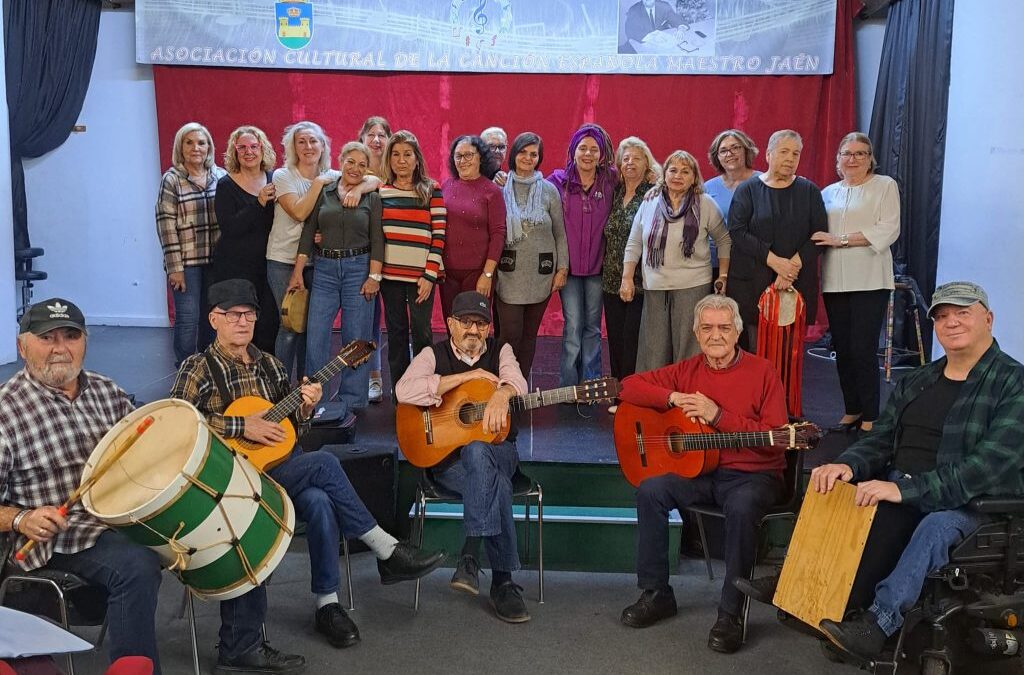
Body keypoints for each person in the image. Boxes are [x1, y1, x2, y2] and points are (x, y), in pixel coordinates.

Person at [0, 298, 305, 674]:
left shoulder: (105, 391)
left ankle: (241, 645)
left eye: (71, 335)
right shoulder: (6, 410)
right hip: (62, 536)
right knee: (136, 564)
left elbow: (151, 444)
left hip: (131, 515)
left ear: (85, 341)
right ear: (22, 346)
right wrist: (20, 519)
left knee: (236, 516)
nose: (60, 347)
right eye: (47, 337)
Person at [738, 281, 1024, 664]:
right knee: (832, 484)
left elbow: (984, 470)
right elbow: (881, 440)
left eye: (962, 313)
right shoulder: (919, 379)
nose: (951, 322)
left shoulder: (1012, 383)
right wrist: (848, 464)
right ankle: (799, 586)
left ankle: (878, 624)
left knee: (933, 525)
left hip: (970, 502)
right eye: (942, 316)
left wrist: (906, 491)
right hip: (904, 485)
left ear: (988, 319)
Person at [171, 279, 445, 651]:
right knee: (326, 464)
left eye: (249, 314)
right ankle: (385, 549)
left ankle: (327, 605)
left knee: (318, 500)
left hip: (282, 469)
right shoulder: (198, 368)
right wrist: (240, 425)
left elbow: (290, 433)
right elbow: (179, 424)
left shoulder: (270, 365)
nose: (242, 321)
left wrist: (304, 408)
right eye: (232, 315)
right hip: (233, 482)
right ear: (213, 319)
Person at [617, 293, 789, 654]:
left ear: (737, 332)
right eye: (707, 328)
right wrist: (672, 399)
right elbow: (628, 386)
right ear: (696, 333)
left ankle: (731, 613)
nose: (716, 335)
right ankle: (657, 593)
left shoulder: (763, 372)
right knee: (652, 490)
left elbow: (776, 440)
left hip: (751, 476)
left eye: (724, 328)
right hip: (701, 473)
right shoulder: (687, 370)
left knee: (742, 510)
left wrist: (717, 416)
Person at [394, 291, 531, 623]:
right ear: (451, 324)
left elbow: (518, 382)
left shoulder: (502, 350)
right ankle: (503, 582)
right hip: (447, 463)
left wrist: (503, 392)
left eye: (481, 323)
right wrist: (468, 377)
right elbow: (403, 391)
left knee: (480, 450)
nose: (474, 330)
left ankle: (470, 556)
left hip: (501, 452)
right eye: (467, 322)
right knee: (492, 479)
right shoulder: (433, 354)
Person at [289, 141, 383, 428]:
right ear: (340, 161)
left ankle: (352, 400)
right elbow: (309, 232)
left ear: (367, 170)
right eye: (350, 161)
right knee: (317, 336)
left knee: (356, 338)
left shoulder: (372, 196)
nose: (355, 168)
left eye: (361, 164)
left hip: (359, 268)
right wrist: (297, 271)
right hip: (325, 270)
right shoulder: (324, 192)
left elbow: (378, 238)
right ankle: (313, 396)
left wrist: (374, 277)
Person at [814, 132, 900, 435]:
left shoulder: (885, 186)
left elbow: (888, 229)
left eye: (860, 154)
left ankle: (871, 415)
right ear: (838, 159)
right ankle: (851, 409)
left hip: (870, 280)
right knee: (844, 349)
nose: (853, 159)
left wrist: (841, 240)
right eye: (847, 153)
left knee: (863, 350)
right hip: (835, 281)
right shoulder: (827, 193)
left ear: (870, 159)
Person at [622, 150, 730, 371]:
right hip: (655, 285)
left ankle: (687, 398)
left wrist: (723, 275)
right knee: (652, 348)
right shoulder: (649, 201)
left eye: (685, 171)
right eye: (673, 170)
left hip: (693, 285)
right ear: (665, 174)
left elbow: (724, 240)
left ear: (694, 177)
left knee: (689, 348)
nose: (678, 176)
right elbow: (634, 243)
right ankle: (653, 398)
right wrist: (627, 278)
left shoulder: (705, 203)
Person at [726, 129, 827, 352]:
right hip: (752, 286)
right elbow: (737, 231)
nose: (790, 159)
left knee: (788, 355)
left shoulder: (809, 191)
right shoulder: (747, 189)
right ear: (769, 155)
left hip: (795, 284)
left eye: (796, 153)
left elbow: (820, 235)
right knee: (754, 350)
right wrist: (774, 261)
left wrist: (790, 269)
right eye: (784, 152)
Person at [266, 121, 338, 380]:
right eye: (302, 141)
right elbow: (298, 212)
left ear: (323, 145)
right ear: (293, 147)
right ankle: (279, 385)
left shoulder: (334, 175)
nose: (308, 147)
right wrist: (318, 183)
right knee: (290, 326)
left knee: (312, 328)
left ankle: (306, 387)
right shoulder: (283, 176)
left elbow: (372, 180)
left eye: (313, 141)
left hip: (318, 262)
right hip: (283, 260)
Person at [548, 123, 617, 387]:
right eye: (583, 148)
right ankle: (567, 386)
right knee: (573, 327)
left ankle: (591, 385)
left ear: (602, 154)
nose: (588, 154)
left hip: (598, 269)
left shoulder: (611, 180)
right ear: (573, 151)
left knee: (593, 328)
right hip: (569, 269)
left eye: (594, 149)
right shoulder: (556, 182)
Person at [494, 132, 568, 377]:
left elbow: (560, 232)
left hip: (542, 274)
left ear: (539, 158)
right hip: (509, 274)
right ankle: (504, 382)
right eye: (523, 152)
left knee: (528, 335)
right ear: (513, 155)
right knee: (509, 335)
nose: (527, 158)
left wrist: (562, 269)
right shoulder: (500, 187)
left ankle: (521, 384)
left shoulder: (549, 191)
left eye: (533, 154)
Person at [379, 130, 447, 388]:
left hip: (422, 278)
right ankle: (400, 393)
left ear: (417, 159)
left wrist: (429, 275)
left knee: (422, 333)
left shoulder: (431, 189)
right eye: (395, 154)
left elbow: (439, 235)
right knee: (396, 335)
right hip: (390, 276)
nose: (401, 160)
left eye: (407, 154)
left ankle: (422, 388)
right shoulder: (381, 191)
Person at [155, 122, 226, 367]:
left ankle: (206, 367)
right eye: (189, 142)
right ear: (180, 147)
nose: (196, 147)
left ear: (209, 147)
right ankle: (185, 367)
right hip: (186, 263)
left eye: (201, 142)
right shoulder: (172, 179)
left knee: (212, 317)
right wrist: (175, 267)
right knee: (188, 317)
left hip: (217, 261)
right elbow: (165, 224)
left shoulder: (221, 176)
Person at [212, 125, 279, 354]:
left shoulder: (274, 178)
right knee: (239, 327)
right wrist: (258, 203)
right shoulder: (226, 185)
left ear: (262, 149)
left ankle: (265, 381)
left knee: (268, 326)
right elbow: (230, 228)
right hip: (236, 269)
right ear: (234, 151)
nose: (248, 152)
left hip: (269, 265)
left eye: (253, 146)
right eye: (242, 147)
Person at [601, 137, 658, 388]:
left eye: (636, 158)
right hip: (611, 280)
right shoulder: (616, 193)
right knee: (615, 339)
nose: (630, 163)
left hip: (639, 281)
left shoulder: (653, 194)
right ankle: (618, 390)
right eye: (625, 159)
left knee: (634, 340)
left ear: (647, 163)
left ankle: (632, 392)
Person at [440, 135, 505, 318]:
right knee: (452, 324)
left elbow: (498, 235)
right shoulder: (446, 186)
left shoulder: (491, 191)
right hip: (447, 274)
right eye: (458, 156)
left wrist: (488, 274)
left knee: (474, 326)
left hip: (478, 274)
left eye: (468, 155)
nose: (463, 160)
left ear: (480, 157)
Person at [358, 116, 393, 403]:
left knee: (391, 319)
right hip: (361, 254)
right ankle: (371, 378)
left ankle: (404, 378)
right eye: (371, 134)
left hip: (393, 253)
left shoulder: (396, 168)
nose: (377, 140)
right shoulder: (354, 168)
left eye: (382, 135)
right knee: (366, 321)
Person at [703, 129, 760, 278]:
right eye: (723, 151)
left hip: (752, 262)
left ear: (746, 150)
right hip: (714, 263)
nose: (729, 154)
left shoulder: (763, 183)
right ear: (717, 157)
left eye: (735, 147)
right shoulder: (708, 187)